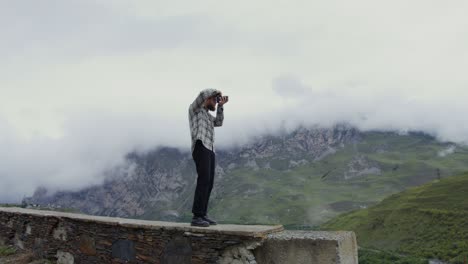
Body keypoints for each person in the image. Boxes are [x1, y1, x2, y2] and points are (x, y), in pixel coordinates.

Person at [188, 88, 229, 227]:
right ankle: (197, 216)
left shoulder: (209, 117)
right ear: (207, 99)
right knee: (203, 179)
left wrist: (221, 106)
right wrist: (217, 91)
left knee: (209, 182)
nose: (215, 102)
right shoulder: (195, 111)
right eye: (214, 99)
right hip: (200, 146)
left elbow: (219, 122)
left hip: (210, 148)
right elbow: (201, 94)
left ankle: (203, 214)